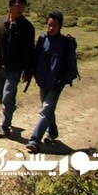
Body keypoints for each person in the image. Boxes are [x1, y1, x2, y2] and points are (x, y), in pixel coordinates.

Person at [24, 11, 78, 153]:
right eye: (49, 25)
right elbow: (35, 58)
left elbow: (71, 66)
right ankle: (52, 132)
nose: (51, 28)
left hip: (56, 84)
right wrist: (32, 73)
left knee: (45, 109)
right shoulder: (43, 39)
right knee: (47, 108)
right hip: (42, 81)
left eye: (54, 25)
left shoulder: (66, 44)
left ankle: (34, 140)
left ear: (60, 26)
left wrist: (61, 80)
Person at [0, 0, 36, 138]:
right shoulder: (0, 22)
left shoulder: (27, 27)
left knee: (8, 95)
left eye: (22, 7)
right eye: (17, 6)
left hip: (15, 69)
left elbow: (29, 51)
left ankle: (5, 126)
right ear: (10, 7)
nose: (20, 9)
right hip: (0, 67)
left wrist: (28, 71)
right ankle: (9, 109)